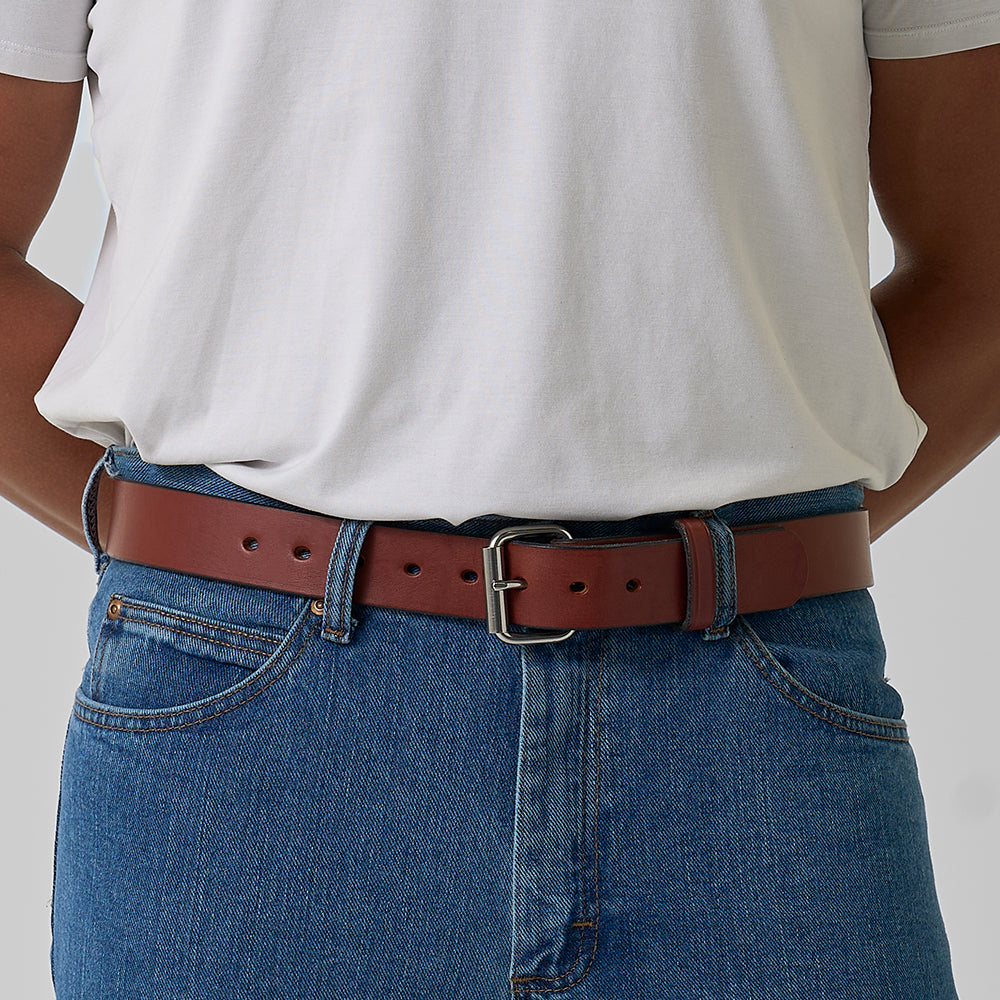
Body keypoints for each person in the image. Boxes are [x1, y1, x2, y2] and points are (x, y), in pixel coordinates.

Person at [1, 2, 998, 998]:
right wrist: (162, 537)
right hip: (250, 740)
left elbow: (981, 271)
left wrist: (744, 557)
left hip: (752, 729)